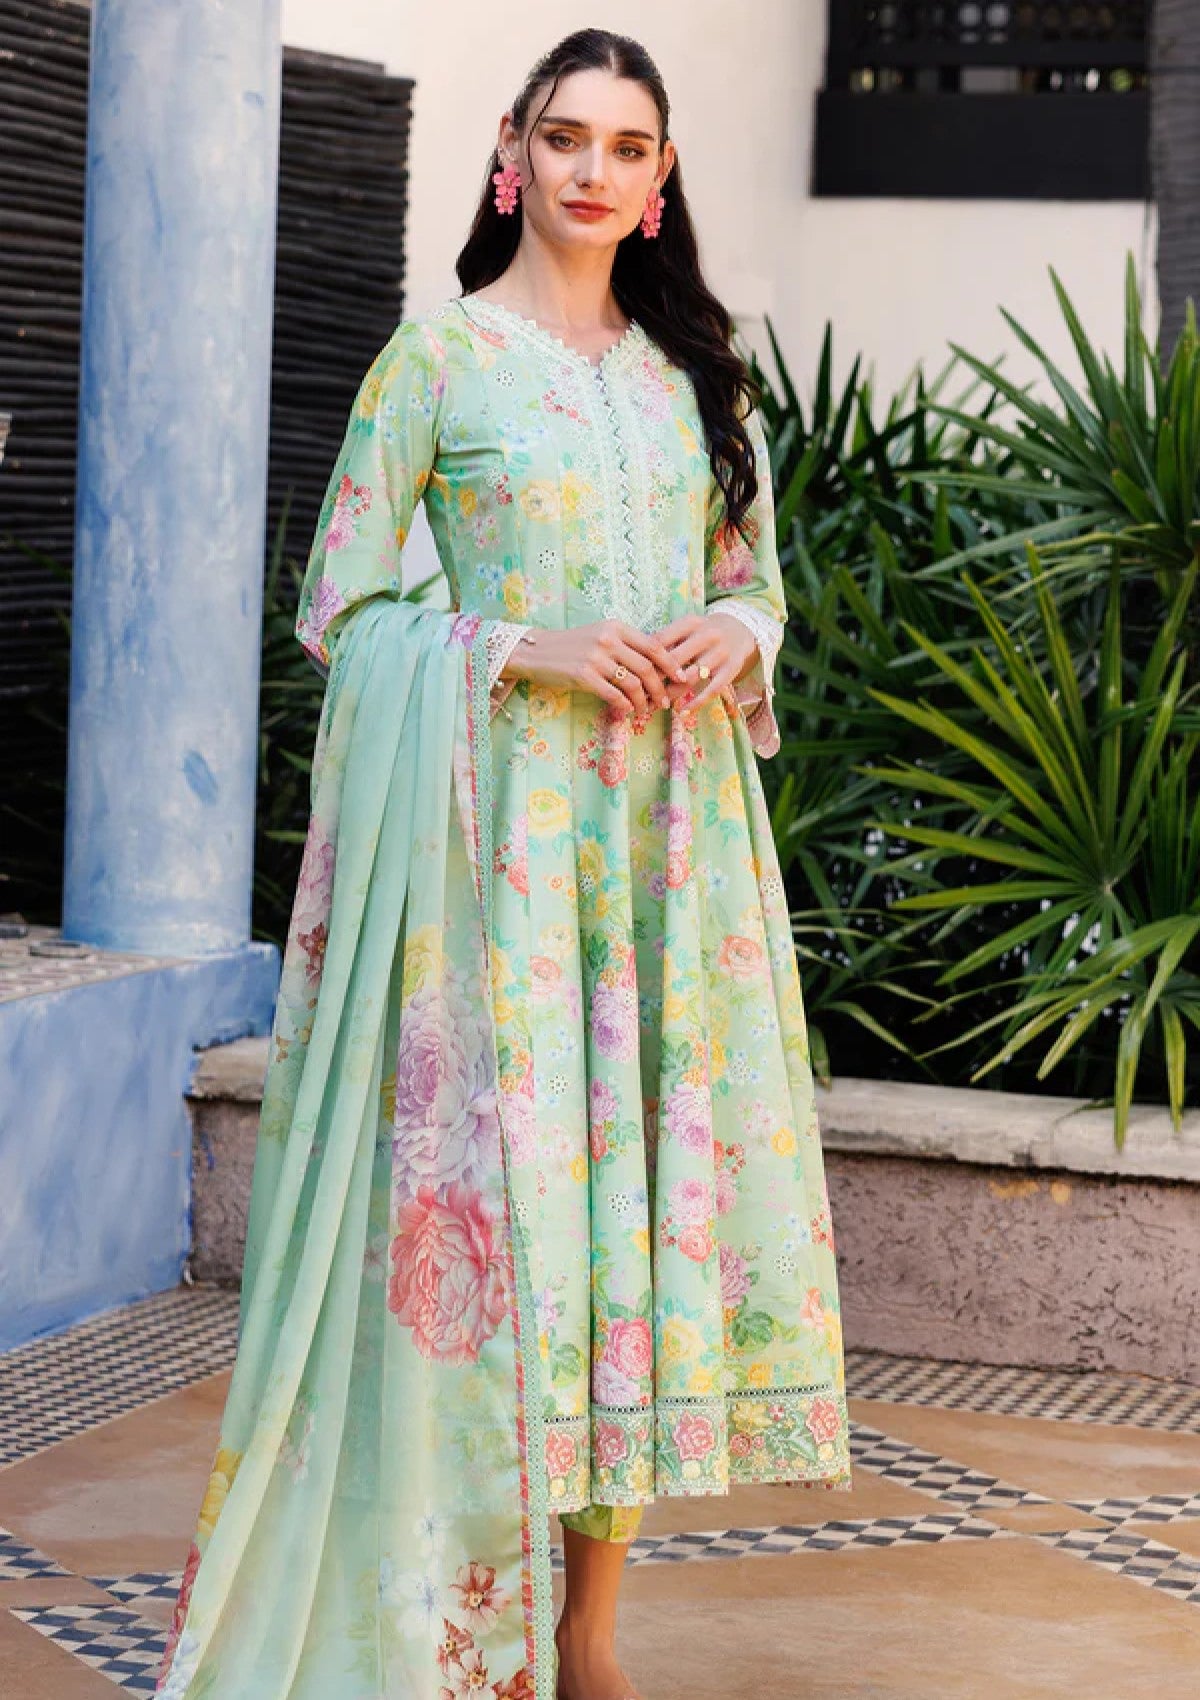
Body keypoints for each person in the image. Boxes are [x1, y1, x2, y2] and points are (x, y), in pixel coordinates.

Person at [155, 27, 851, 1700]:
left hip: (668, 861)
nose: (593, 170)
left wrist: (732, 631)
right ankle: (458, 1612)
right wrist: (520, 649)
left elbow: (752, 583)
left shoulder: (698, 382)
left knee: (628, 1240)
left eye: (628, 146)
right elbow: (341, 604)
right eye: (566, 137)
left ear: (661, 178)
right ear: (511, 152)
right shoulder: (437, 362)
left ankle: (591, 1633)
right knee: (515, 1226)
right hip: (500, 869)